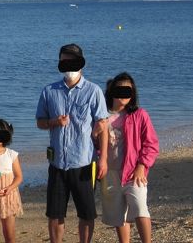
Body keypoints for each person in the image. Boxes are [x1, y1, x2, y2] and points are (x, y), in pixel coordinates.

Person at [35, 43, 109, 243]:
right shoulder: (49, 91)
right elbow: (40, 122)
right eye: (63, 61)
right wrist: (54, 122)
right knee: (55, 214)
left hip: (84, 163)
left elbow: (103, 124)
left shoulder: (93, 91)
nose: (67, 65)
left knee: (86, 213)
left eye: (71, 61)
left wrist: (103, 160)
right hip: (57, 163)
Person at [100, 72, 159, 243]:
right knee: (119, 216)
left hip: (134, 172)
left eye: (129, 91)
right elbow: (94, 145)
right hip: (110, 174)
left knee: (141, 209)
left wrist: (142, 165)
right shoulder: (102, 116)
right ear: (112, 90)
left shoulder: (140, 115)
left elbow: (151, 144)